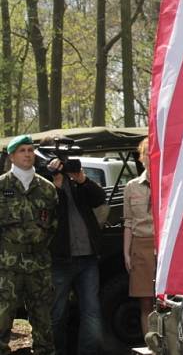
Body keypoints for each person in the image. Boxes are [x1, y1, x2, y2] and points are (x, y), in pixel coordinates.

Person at [0, 135, 58, 355]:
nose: (27, 154)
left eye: (30, 150)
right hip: (7, 265)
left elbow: (53, 226)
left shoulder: (47, 188)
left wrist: (38, 248)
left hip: (38, 264)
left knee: (43, 318)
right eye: (22, 150)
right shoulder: (2, 186)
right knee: (2, 317)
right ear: (12, 156)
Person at [47, 152, 106, 355]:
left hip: (87, 258)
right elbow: (45, 210)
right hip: (60, 260)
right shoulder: (44, 180)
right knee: (57, 314)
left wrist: (81, 178)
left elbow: (99, 198)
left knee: (92, 311)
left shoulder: (77, 181)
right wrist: (55, 182)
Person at [123, 139, 155, 336]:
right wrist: (126, 253)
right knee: (145, 303)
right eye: (146, 154)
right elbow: (128, 222)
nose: (150, 158)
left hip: (163, 246)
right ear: (141, 158)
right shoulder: (132, 187)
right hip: (140, 247)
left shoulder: (168, 183)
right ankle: (151, 346)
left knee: (168, 302)